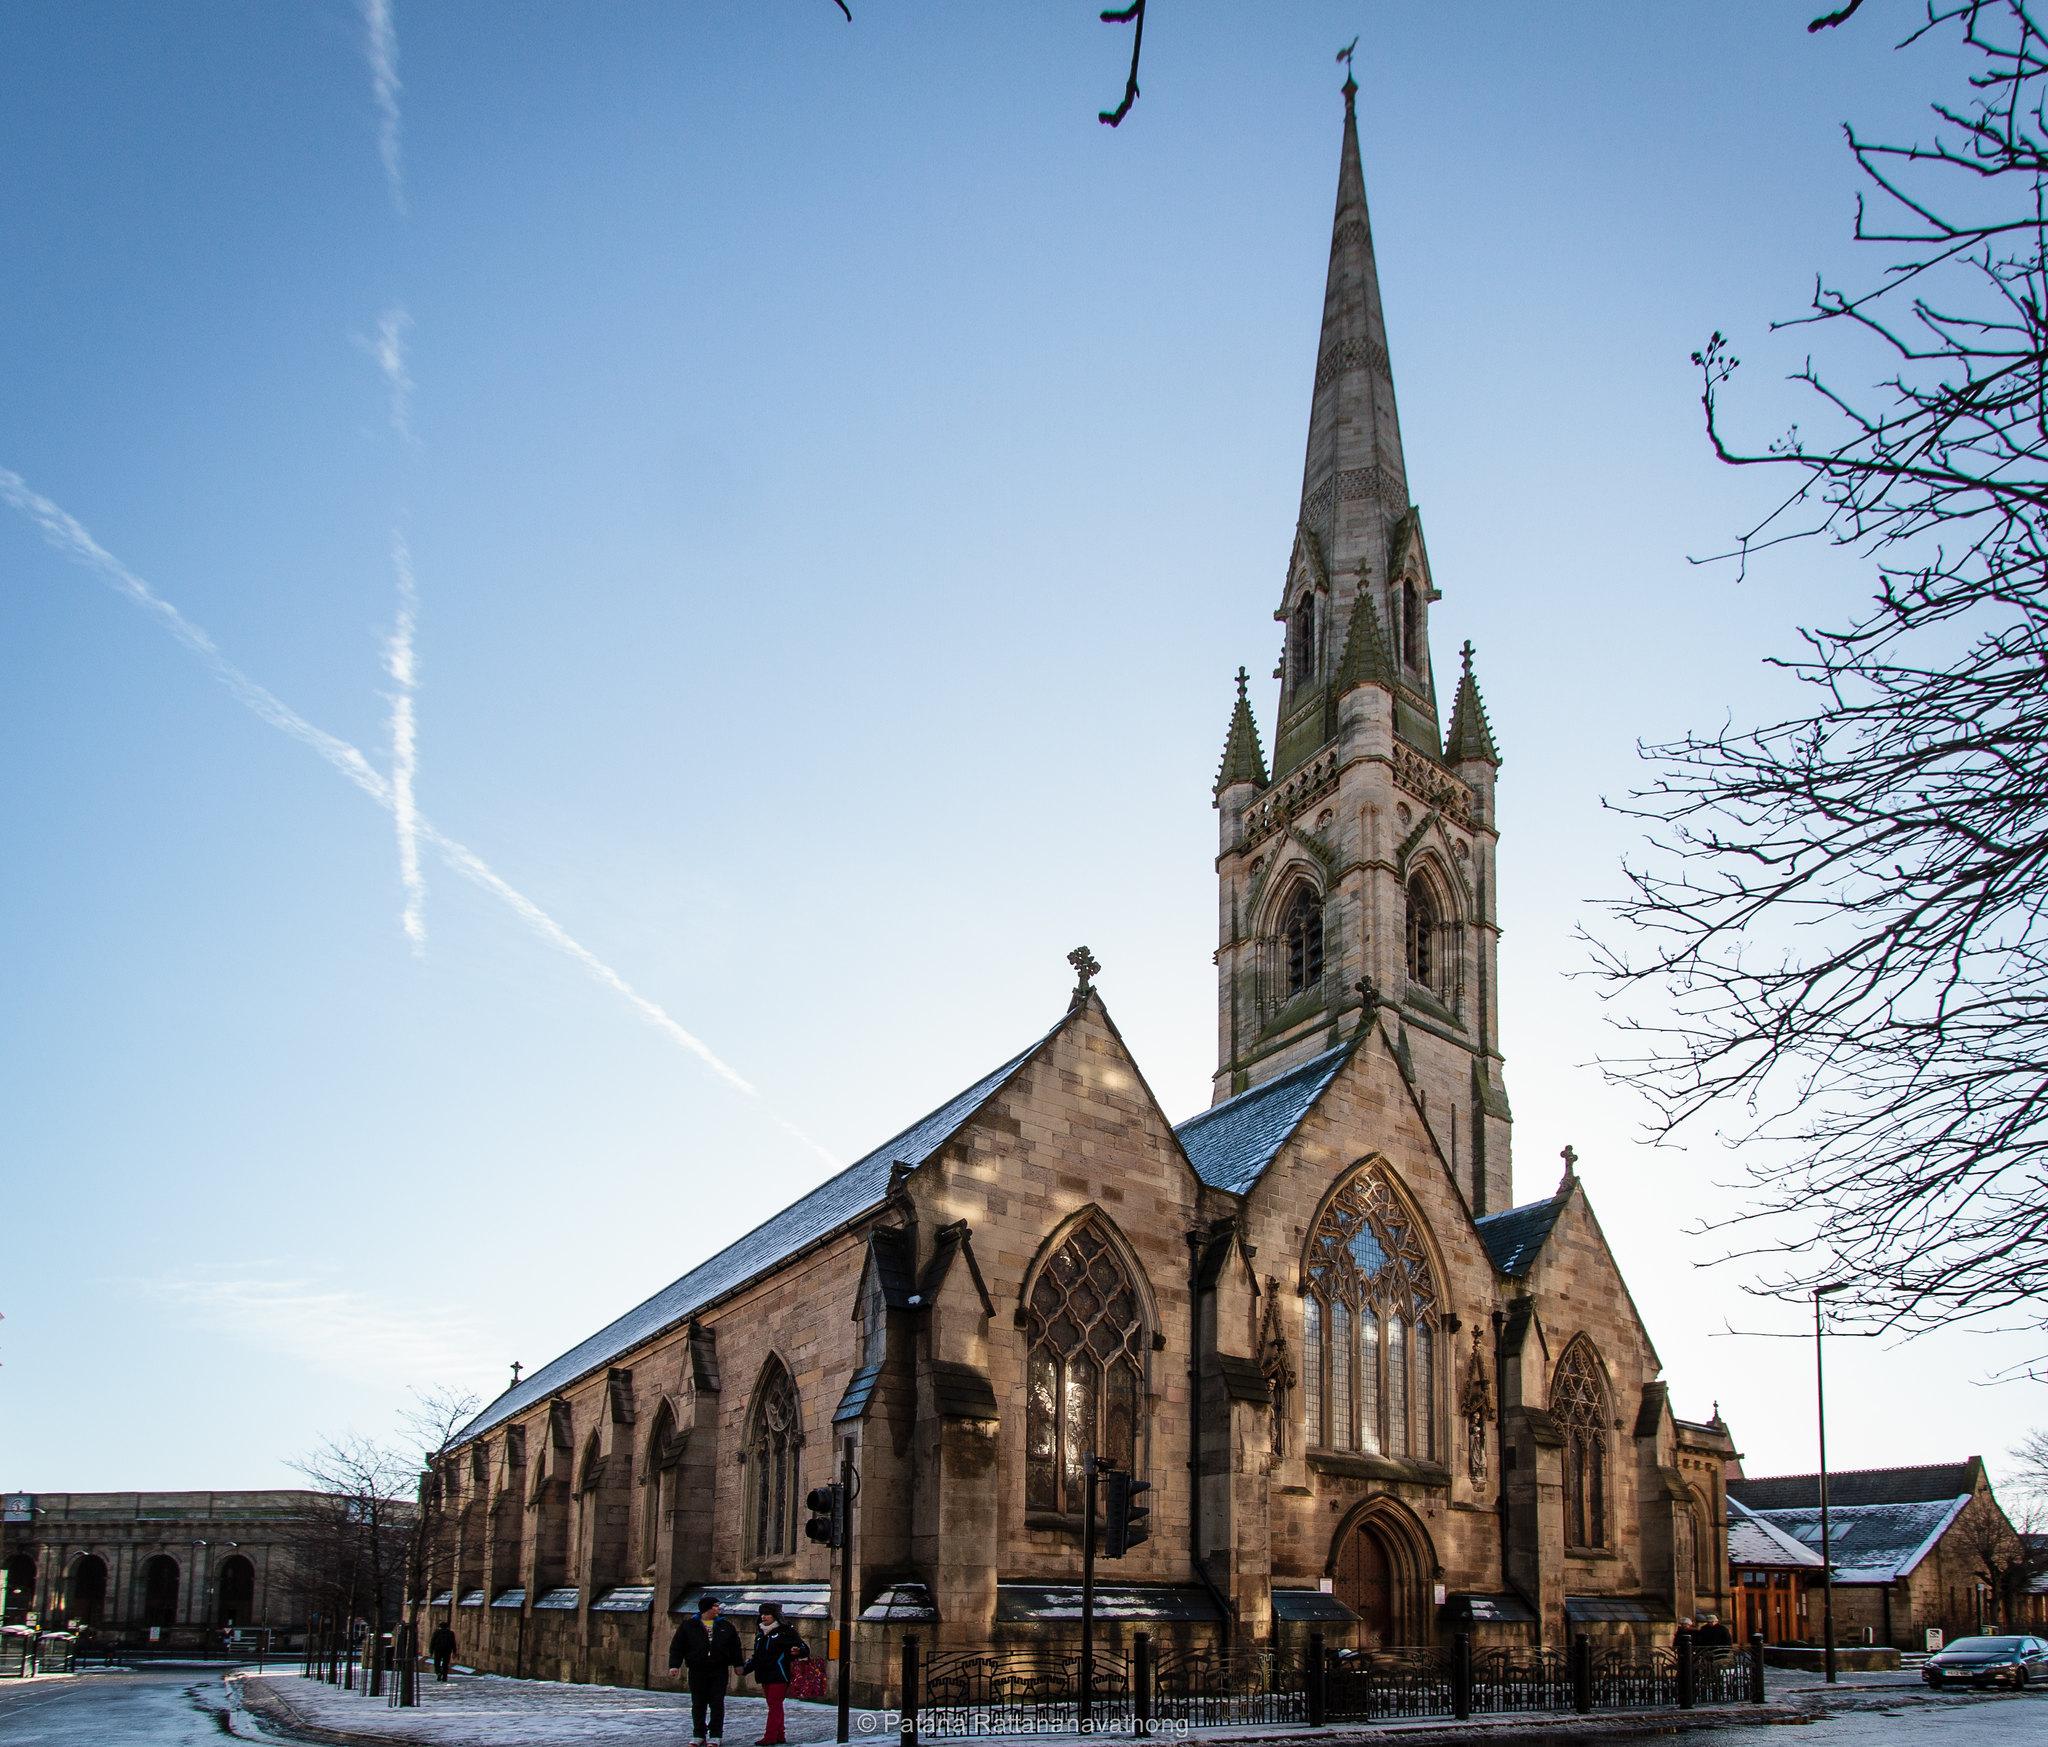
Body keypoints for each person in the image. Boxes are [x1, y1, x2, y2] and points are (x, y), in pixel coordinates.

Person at [669, 1594, 744, 1746]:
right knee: (698, 1702)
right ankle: (698, 1734)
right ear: (707, 1608)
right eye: (715, 1606)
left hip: (719, 1669)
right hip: (697, 1669)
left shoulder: (726, 1626)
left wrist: (738, 1664)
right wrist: (674, 1665)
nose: (718, 1608)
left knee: (717, 1702)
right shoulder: (689, 1625)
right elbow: (678, 1647)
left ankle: (716, 1734)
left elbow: (735, 1647)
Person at [744, 1601, 810, 1747]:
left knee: (775, 1705)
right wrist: (745, 1668)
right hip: (764, 1674)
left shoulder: (786, 1631)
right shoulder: (760, 1633)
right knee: (774, 1705)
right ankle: (780, 1735)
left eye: (767, 1614)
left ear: (775, 1615)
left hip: (779, 1673)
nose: (763, 1617)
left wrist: (798, 1651)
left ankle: (770, 1736)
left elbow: (803, 1648)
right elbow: (758, 1656)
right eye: (762, 1613)